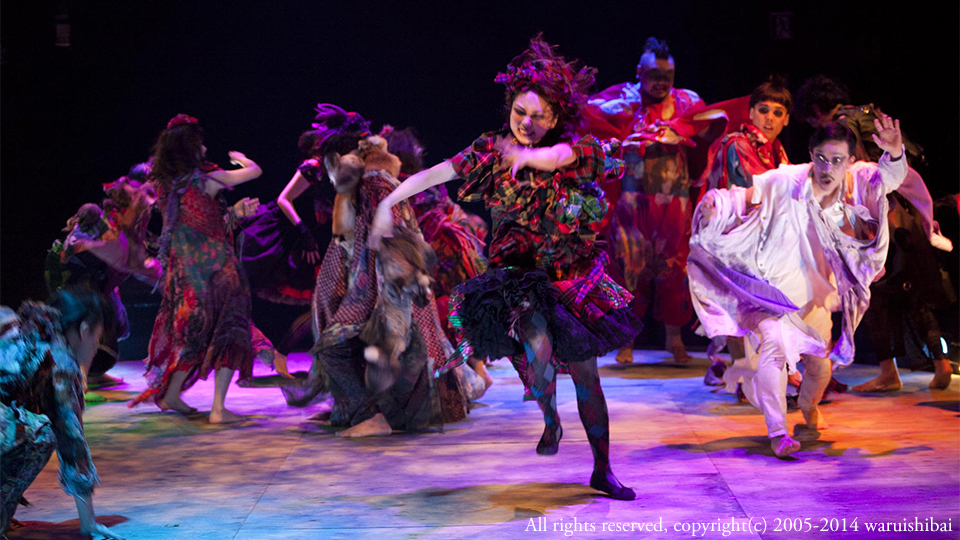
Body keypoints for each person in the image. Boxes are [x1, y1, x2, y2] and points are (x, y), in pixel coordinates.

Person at [370, 36, 640, 499]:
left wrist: (531, 157)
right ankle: (551, 420)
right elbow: (434, 173)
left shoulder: (576, 150)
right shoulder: (489, 153)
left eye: (539, 116)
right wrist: (387, 202)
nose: (527, 122)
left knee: (586, 376)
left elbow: (559, 156)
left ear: (555, 117)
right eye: (520, 112)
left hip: (569, 279)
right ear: (509, 107)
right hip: (517, 280)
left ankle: (602, 468)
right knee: (535, 349)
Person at [688, 116, 906, 457]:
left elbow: (888, 180)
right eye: (821, 158)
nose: (827, 167)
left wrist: (894, 153)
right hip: (769, 291)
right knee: (773, 348)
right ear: (811, 154)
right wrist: (717, 206)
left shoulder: (858, 182)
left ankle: (808, 406)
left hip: (815, 299)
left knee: (819, 368)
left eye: (836, 160)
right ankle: (778, 432)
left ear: (850, 160)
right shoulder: (786, 179)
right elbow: (743, 197)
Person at [280, 108, 473, 436]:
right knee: (376, 352)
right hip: (387, 286)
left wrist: (383, 295)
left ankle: (370, 416)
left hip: (386, 288)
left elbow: (387, 240)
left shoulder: (373, 185)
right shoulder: (376, 183)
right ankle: (370, 412)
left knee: (337, 348)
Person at [796, 75, 954, 391]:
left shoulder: (843, 127)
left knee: (872, 294)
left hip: (880, 222)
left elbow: (863, 180)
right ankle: (941, 363)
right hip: (906, 218)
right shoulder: (865, 112)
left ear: (815, 110)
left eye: (811, 119)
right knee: (912, 292)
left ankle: (888, 372)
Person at [131, 114, 288, 423]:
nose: (204, 146)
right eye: (199, 142)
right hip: (217, 269)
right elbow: (255, 171)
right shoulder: (208, 178)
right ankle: (218, 409)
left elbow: (196, 223)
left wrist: (233, 214)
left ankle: (172, 394)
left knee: (194, 334)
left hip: (185, 275)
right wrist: (242, 160)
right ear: (190, 147)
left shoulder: (166, 187)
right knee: (230, 329)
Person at [581, 37, 725, 363]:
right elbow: (587, 123)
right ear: (638, 71)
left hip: (675, 205)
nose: (660, 82)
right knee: (627, 271)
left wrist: (683, 134)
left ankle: (675, 341)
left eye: (667, 76)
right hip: (632, 204)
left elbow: (713, 128)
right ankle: (626, 341)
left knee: (675, 272)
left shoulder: (687, 101)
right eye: (653, 75)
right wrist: (624, 140)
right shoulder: (619, 100)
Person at [1, 289, 125, 539]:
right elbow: (71, 439)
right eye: (97, 338)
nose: (95, 348)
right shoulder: (60, 360)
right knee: (40, 435)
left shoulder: (28, 329)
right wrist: (88, 522)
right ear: (84, 330)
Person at [698, 80, 792, 386]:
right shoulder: (738, 144)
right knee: (738, 302)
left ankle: (758, 371)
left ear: (786, 119)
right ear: (751, 113)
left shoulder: (777, 150)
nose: (769, 118)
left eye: (777, 113)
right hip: (732, 236)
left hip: (760, 236)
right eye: (763, 110)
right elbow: (761, 188)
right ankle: (743, 371)